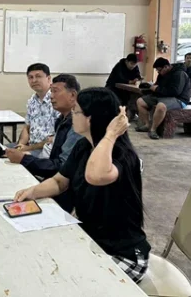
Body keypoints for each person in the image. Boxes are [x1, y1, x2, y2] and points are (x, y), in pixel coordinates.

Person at [14, 88, 150, 284]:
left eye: (76, 111)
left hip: (123, 254)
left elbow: (95, 175)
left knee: (64, 282)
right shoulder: (83, 146)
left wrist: (111, 134)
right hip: (91, 241)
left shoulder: (122, 155)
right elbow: (60, 181)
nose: (72, 115)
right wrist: (32, 192)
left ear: (91, 118)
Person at [6, 74, 81, 179]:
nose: (51, 96)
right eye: (51, 91)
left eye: (55, 91)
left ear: (72, 95)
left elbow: (63, 168)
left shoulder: (77, 124)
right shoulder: (61, 120)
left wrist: (24, 159)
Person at [136, 57, 191, 140]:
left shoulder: (179, 74)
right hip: (163, 96)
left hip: (178, 99)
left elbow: (175, 92)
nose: (159, 72)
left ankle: (153, 130)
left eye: (159, 70)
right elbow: (158, 86)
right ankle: (147, 125)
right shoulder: (162, 74)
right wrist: (150, 88)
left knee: (161, 106)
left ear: (166, 67)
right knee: (140, 101)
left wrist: (157, 89)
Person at [12, 63, 59, 158]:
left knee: (12, 158)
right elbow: (27, 127)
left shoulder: (56, 100)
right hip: (30, 146)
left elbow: (55, 138)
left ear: (49, 78)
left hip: (48, 150)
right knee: (0, 151)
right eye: (30, 77)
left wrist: (27, 148)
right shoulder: (32, 101)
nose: (34, 80)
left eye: (38, 76)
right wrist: (20, 145)